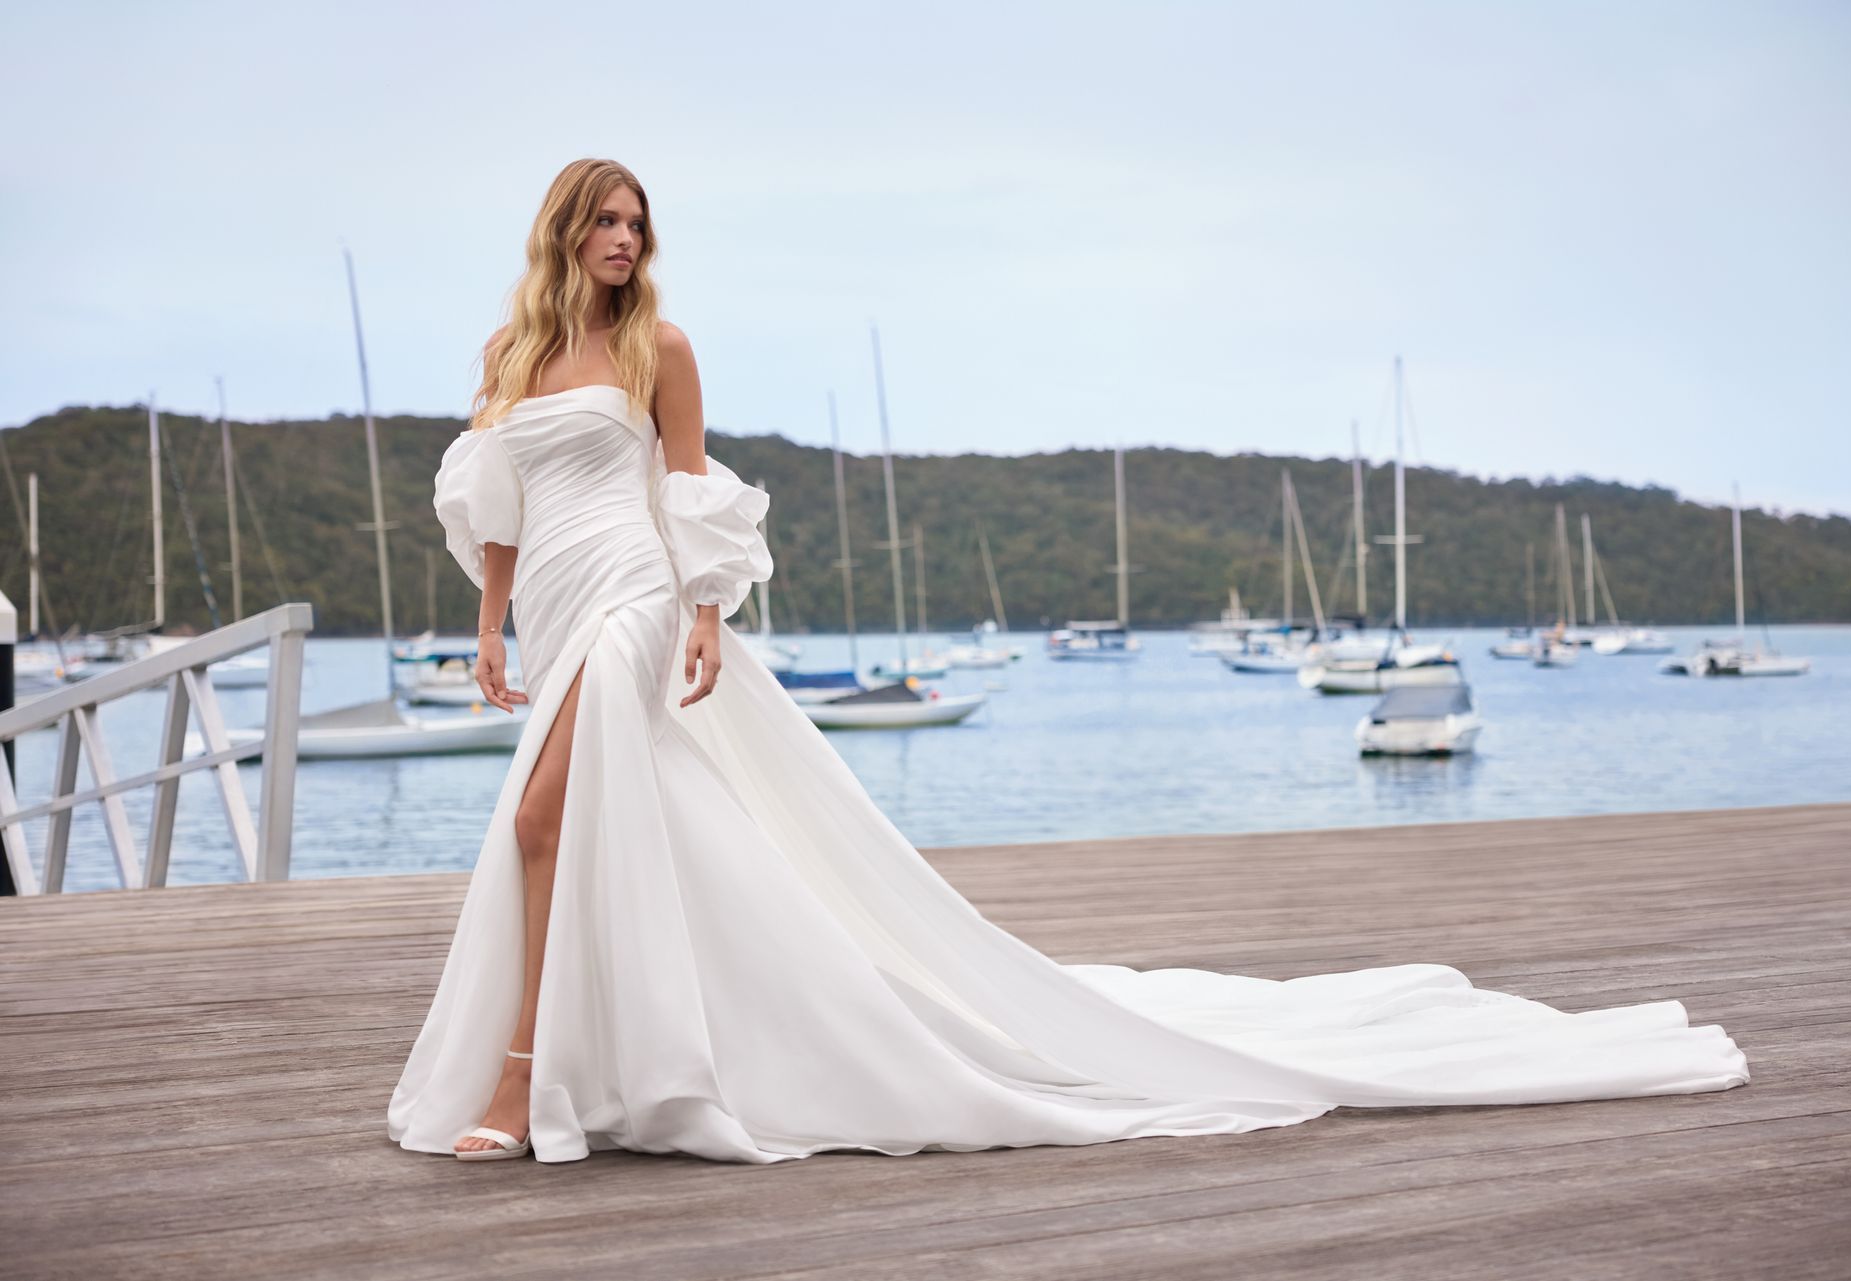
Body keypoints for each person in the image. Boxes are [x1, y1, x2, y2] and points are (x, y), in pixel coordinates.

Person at [387, 158, 1750, 1165]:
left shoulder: (659, 346)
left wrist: (702, 612)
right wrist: (490, 626)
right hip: (554, 599)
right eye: (607, 222)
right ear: (564, 230)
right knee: (611, 824)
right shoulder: (512, 352)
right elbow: (496, 505)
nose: (626, 241)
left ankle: (521, 1077)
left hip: (635, 593)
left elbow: (688, 488)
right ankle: (635, 1051)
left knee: (543, 816)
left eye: (639, 224)